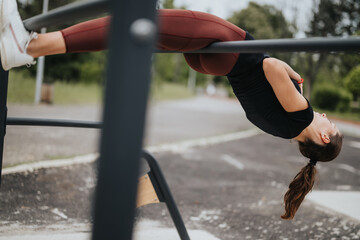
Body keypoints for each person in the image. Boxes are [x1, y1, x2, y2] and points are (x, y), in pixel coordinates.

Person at [0, 0, 343, 220]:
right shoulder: (283, 129)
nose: (326, 117)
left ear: (324, 137)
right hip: (218, 61)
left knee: (134, 22)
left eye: (330, 124)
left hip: (234, 50)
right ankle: (25, 42)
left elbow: (267, 67)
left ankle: (30, 46)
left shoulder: (301, 116)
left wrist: (279, 62)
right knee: (151, 23)